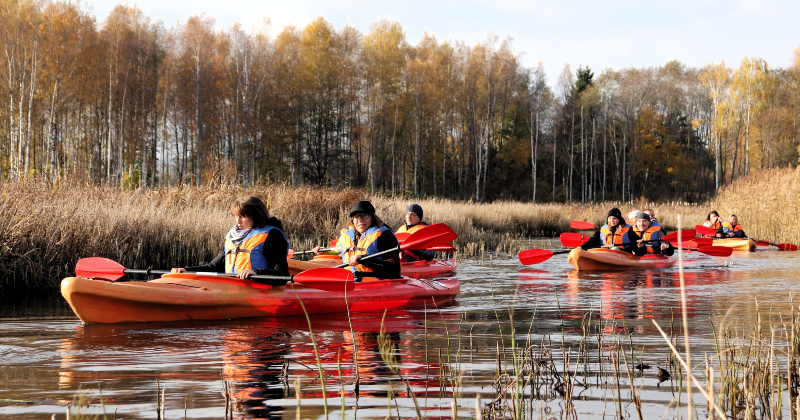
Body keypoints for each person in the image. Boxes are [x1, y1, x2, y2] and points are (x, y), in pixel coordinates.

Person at [171, 196, 289, 279]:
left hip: (260, 289)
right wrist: (186, 270)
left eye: (242, 216)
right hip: (233, 287)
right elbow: (213, 267)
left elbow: (282, 273)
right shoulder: (232, 237)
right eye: (236, 216)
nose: (238, 221)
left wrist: (255, 272)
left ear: (256, 216)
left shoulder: (272, 236)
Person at [330, 200, 401, 280]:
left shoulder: (384, 235)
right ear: (353, 220)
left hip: (376, 286)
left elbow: (394, 269)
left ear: (372, 217)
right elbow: (338, 252)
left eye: (364, 215)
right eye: (356, 216)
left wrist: (364, 260)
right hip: (351, 284)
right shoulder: (347, 237)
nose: (360, 220)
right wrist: (322, 250)